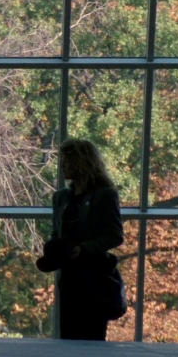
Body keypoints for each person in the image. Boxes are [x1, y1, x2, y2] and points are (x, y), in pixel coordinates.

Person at [37, 138, 124, 341]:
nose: (62, 166)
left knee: (90, 334)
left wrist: (83, 250)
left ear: (81, 162)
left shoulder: (105, 196)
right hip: (69, 277)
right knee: (68, 332)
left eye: (67, 161)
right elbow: (56, 232)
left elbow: (114, 235)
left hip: (93, 276)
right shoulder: (61, 198)